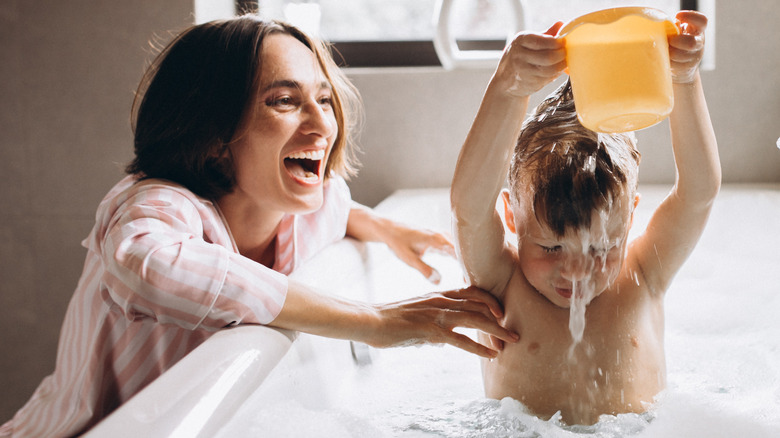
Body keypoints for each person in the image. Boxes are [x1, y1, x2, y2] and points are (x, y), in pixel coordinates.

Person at [0, 15, 519, 437]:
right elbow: (146, 264)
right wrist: (376, 323)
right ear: (210, 131)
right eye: (284, 101)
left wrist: (382, 227)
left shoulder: (315, 206)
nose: (321, 124)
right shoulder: (155, 203)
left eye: (323, 98)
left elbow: (338, 207)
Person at [450, 11, 719, 425]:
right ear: (511, 216)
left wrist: (684, 80)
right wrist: (508, 88)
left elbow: (699, 193)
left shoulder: (643, 275)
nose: (576, 270)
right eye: (552, 246)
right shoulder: (502, 284)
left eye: (600, 246)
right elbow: (468, 208)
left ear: (629, 219)